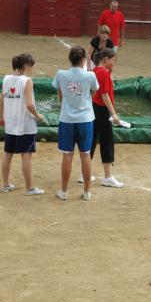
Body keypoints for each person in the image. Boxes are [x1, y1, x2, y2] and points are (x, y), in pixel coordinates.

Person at [52, 46, 99, 201]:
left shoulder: (61, 74)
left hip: (67, 119)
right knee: (86, 155)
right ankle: (87, 192)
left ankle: (64, 191)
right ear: (84, 59)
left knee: (67, 154)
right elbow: (92, 94)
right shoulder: (90, 75)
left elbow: (60, 95)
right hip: (85, 119)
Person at [0, 54, 45, 195]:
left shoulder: (6, 79)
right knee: (26, 154)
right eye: (31, 65)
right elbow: (29, 104)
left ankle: (5, 184)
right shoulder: (27, 81)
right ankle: (29, 188)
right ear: (26, 65)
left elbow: (1, 99)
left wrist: (2, 117)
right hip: (24, 124)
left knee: (8, 154)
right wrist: (38, 116)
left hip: (11, 123)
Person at [89, 48, 124, 188]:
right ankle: (107, 177)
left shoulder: (93, 71)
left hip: (93, 109)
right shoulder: (104, 72)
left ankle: (84, 173)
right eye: (112, 60)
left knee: (91, 141)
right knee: (107, 142)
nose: (113, 63)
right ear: (105, 59)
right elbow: (105, 95)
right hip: (102, 111)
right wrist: (113, 114)